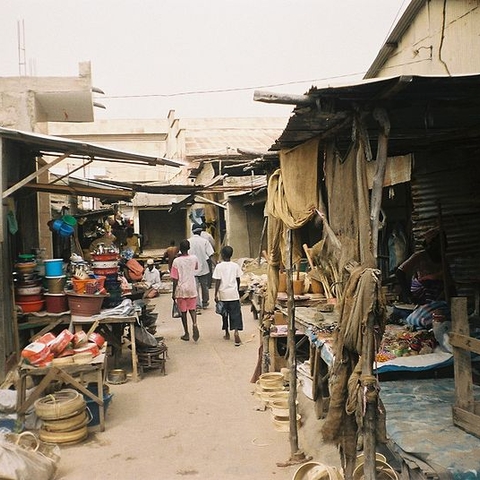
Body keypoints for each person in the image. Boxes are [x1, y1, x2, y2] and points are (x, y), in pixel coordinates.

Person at [395, 227, 456, 329]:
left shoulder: (443, 260)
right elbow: (399, 272)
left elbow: (449, 283)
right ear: (431, 244)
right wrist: (409, 295)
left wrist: (454, 303)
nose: (442, 247)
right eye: (438, 244)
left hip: (437, 296)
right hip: (422, 294)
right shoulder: (420, 256)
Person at [213, 245, 244, 346]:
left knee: (224, 314)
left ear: (222, 255)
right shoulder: (235, 266)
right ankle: (236, 331)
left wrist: (216, 293)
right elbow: (238, 279)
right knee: (235, 314)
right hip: (233, 294)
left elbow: (218, 281)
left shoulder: (219, 266)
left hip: (223, 294)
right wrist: (237, 290)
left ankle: (226, 332)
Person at [171, 239, 200, 342]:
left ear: (180, 248)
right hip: (192, 287)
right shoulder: (194, 258)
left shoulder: (176, 261)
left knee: (183, 312)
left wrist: (173, 292)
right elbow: (196, 268)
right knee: (192, 309)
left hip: (181, 288)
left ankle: (186, 333)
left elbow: (175, 278)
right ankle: (195, 323)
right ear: (189, 248)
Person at [188, 225, 215, 311]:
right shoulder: (205, 241)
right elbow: (211, 255)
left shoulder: (188, 241)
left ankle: (197, 305)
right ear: (200, 232)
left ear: (193, 231)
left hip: (192, 268)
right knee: (204, 286)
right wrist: (216, 264)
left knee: (195, 287)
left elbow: (183, 254)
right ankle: (205, 302)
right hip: (204, 267)